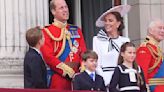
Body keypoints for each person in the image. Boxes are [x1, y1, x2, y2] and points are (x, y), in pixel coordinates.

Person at [40, 0, 86, 90]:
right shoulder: (46, 32)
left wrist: (83, 67)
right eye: (61, 8)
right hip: (58, 77)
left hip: (77, 78)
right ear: (53, 11)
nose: (65, 10)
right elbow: (48, 56)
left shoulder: (76, 30)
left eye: (66, 7)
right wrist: (66, 70)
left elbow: (83, 51)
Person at [93, 5, 131, 86]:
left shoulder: (125, 40)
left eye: (110, 20)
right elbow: (96, 63)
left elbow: (128, 62)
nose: (107, 23)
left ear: (118, 24)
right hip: (105, 80)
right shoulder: (97, 40)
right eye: (106, 21)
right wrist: (105, 81)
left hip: (122, 79)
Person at [136, 19, 164, 92]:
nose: (163, 31)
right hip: (153, 88)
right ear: (151, 31)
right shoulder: (145, 48)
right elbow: (142, 73)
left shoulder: (156, 49)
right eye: (160, 28)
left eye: (163, 28)